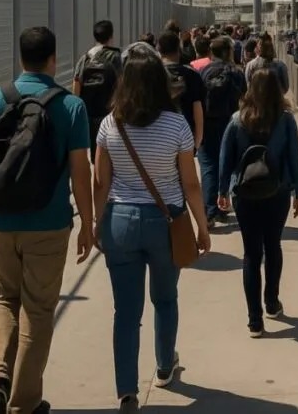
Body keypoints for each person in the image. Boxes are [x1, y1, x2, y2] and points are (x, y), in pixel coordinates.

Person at [0, 26, 94, 414]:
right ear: (53, 60)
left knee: (7, 299)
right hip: (49, 224)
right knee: (39, 310)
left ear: (20, 58)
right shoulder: (71, 107)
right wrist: (88, 223)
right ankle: (24, 404)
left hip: (2, 222)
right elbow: (80, 173)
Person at [93, 45, 210, 414]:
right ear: (162, 83)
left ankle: (127, 392)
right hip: (166, 221)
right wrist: (202, 225)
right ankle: (163, 366)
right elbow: (190, 183)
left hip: (120, 221)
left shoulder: (110, 124)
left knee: (126, 312)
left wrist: (95, 223)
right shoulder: (176, 126)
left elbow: (100, 182)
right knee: (165, 298)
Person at [217, 68, 298, 337]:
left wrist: (222, 190)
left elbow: (225, 158)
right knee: (273, 246)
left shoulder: (237, 120)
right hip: (277, 192)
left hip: (245, 194)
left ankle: (254, 320)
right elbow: (294, 156)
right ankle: (272, 302)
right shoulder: (286, 120)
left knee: (251, 254)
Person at [199, 37, 245, 227]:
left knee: (209, 166)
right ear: (229, 52)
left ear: (212, 52)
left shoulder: (204, 71)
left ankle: (210, 212)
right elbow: (244, 97)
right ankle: (224, 204)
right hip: (231, 123)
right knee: (228, 164)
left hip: (207, 123)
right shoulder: (236, 73)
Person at [73, 20, 123, 161]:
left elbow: (76, 86)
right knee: (111, 157)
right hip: (109, 114)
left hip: (89, 115)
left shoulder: (85, 58)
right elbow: (121, 84)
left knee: (96, 156)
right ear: (111, 36)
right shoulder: (115, 57)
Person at [157, 31, 205, 153]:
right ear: (179, 50)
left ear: (159, 50)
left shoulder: (153, 74)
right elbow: (197, 109)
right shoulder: (192, 75)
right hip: (186, 137)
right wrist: (197, 143)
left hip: (158, 138)